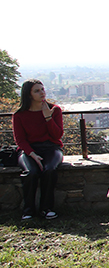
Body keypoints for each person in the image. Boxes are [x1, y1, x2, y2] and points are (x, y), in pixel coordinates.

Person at [13, 79, 64, 221]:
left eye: (42, 89)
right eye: (37, 91)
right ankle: (28, 210)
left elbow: (57, 135)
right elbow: (20, 139)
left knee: (49, 170)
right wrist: (32, 154)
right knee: (31, 172)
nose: (42, 93)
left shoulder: (54, 110)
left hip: (51, 148)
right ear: (29, 95)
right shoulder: (19, 115)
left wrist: (48, 117)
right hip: (29, 150)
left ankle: (46, 208)